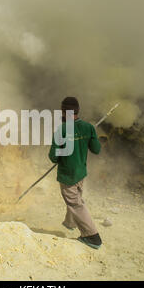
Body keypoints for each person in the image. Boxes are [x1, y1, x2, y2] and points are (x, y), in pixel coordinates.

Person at [48, 97, 103, 249]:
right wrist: (92, 136)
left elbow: (53, 157)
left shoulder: (62, 130)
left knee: (75, 203)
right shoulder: (89, 127)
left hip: (68, 175)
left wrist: (61, 153)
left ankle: (92, 237)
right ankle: (70, 222)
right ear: (78, 110)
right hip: (81, 172)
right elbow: (96, 150)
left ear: (64, 112)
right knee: (75, 198)